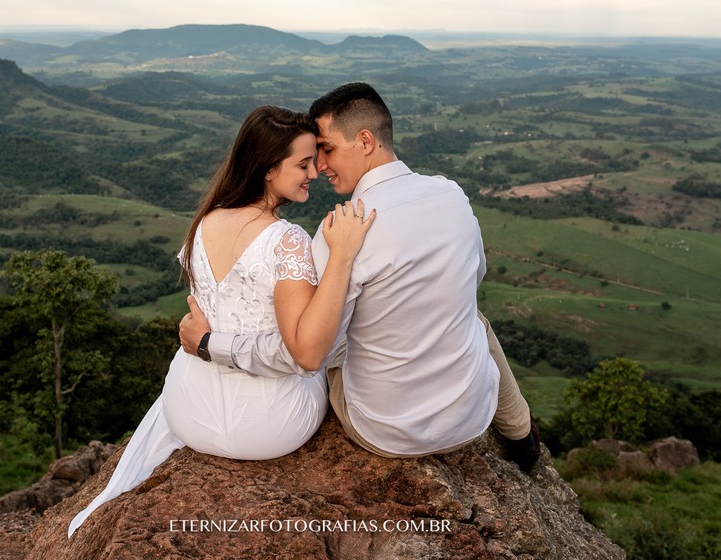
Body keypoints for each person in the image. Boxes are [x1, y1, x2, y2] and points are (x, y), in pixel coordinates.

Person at [180, 83, 540, 467]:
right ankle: (520, 431)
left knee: (330, 343)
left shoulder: (339, 230)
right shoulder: (452, 195)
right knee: (473, 318)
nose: (319, 166)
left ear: (366, 140)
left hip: (383, 431)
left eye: (327, 149)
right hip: (470, 420)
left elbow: (305, 354)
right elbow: (473, 278)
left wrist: (208, 343)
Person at [68, 105, 374, 537]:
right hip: (270, 427)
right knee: (336, 346)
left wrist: (209, 340)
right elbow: (305, 355)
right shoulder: (287, 240)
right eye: (303, 163)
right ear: (269, 169)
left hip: (190, 412)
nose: (314, 171)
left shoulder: (206, 221)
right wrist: (341, 256)